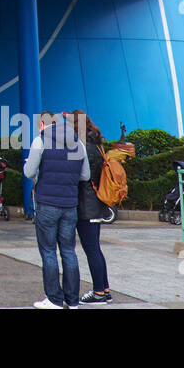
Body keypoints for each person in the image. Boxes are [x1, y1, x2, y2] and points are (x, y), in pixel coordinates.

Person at [23, 110, 89, 309]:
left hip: (46, 205)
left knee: (49, 251)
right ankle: (73, 300)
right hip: (70, 205)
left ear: (42, 125)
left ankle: (54, 300)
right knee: (69, 252)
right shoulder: (79, 142)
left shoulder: (40, 141)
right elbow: (85, 176)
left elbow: (28, 172)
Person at [70, 110, 113, 304]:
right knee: (95, 248)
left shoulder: (81, 147)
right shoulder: (97, 144)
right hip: (97, 202)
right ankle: (104, 289)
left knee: (91, 249)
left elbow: (81, 176)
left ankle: (98, 293)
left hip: (86, 205)